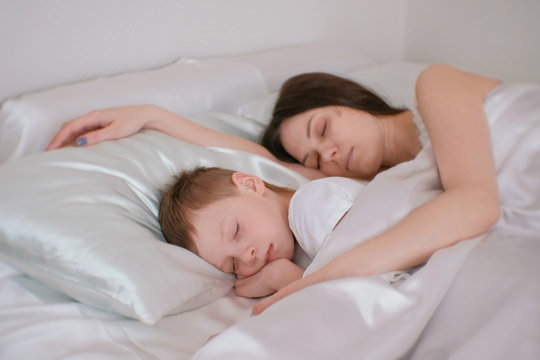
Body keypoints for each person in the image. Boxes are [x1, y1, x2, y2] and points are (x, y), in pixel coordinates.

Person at [46, 64, 505, 314]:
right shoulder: (359, 187)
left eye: (322, 127)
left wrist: (308, 284)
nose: (327, 154)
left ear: (346, 99)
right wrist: (153, 116)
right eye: (311, 160)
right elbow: (259, 167)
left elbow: (476, 203)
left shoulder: (436, 84)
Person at [158, 166, 409, 299]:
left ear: (250, 184)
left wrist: (282, 279)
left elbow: (366, 295)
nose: (247, 257)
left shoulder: (310, 205)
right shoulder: (296, 245)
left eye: (236, 231)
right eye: (233, 264)